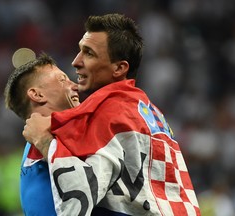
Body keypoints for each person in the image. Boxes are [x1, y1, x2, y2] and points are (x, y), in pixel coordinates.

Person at [23, 14, 201, 215]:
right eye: (80, 50)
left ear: (119, 68)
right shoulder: (152, 114)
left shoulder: (107, 112)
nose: (75, 61)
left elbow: (78, 199)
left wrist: (44, 140)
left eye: (88, 53)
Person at [4, 52, 80, 216]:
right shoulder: (54, 136)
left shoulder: (36, 143)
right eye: (62, 79)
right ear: (37, 95)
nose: (75, 85)